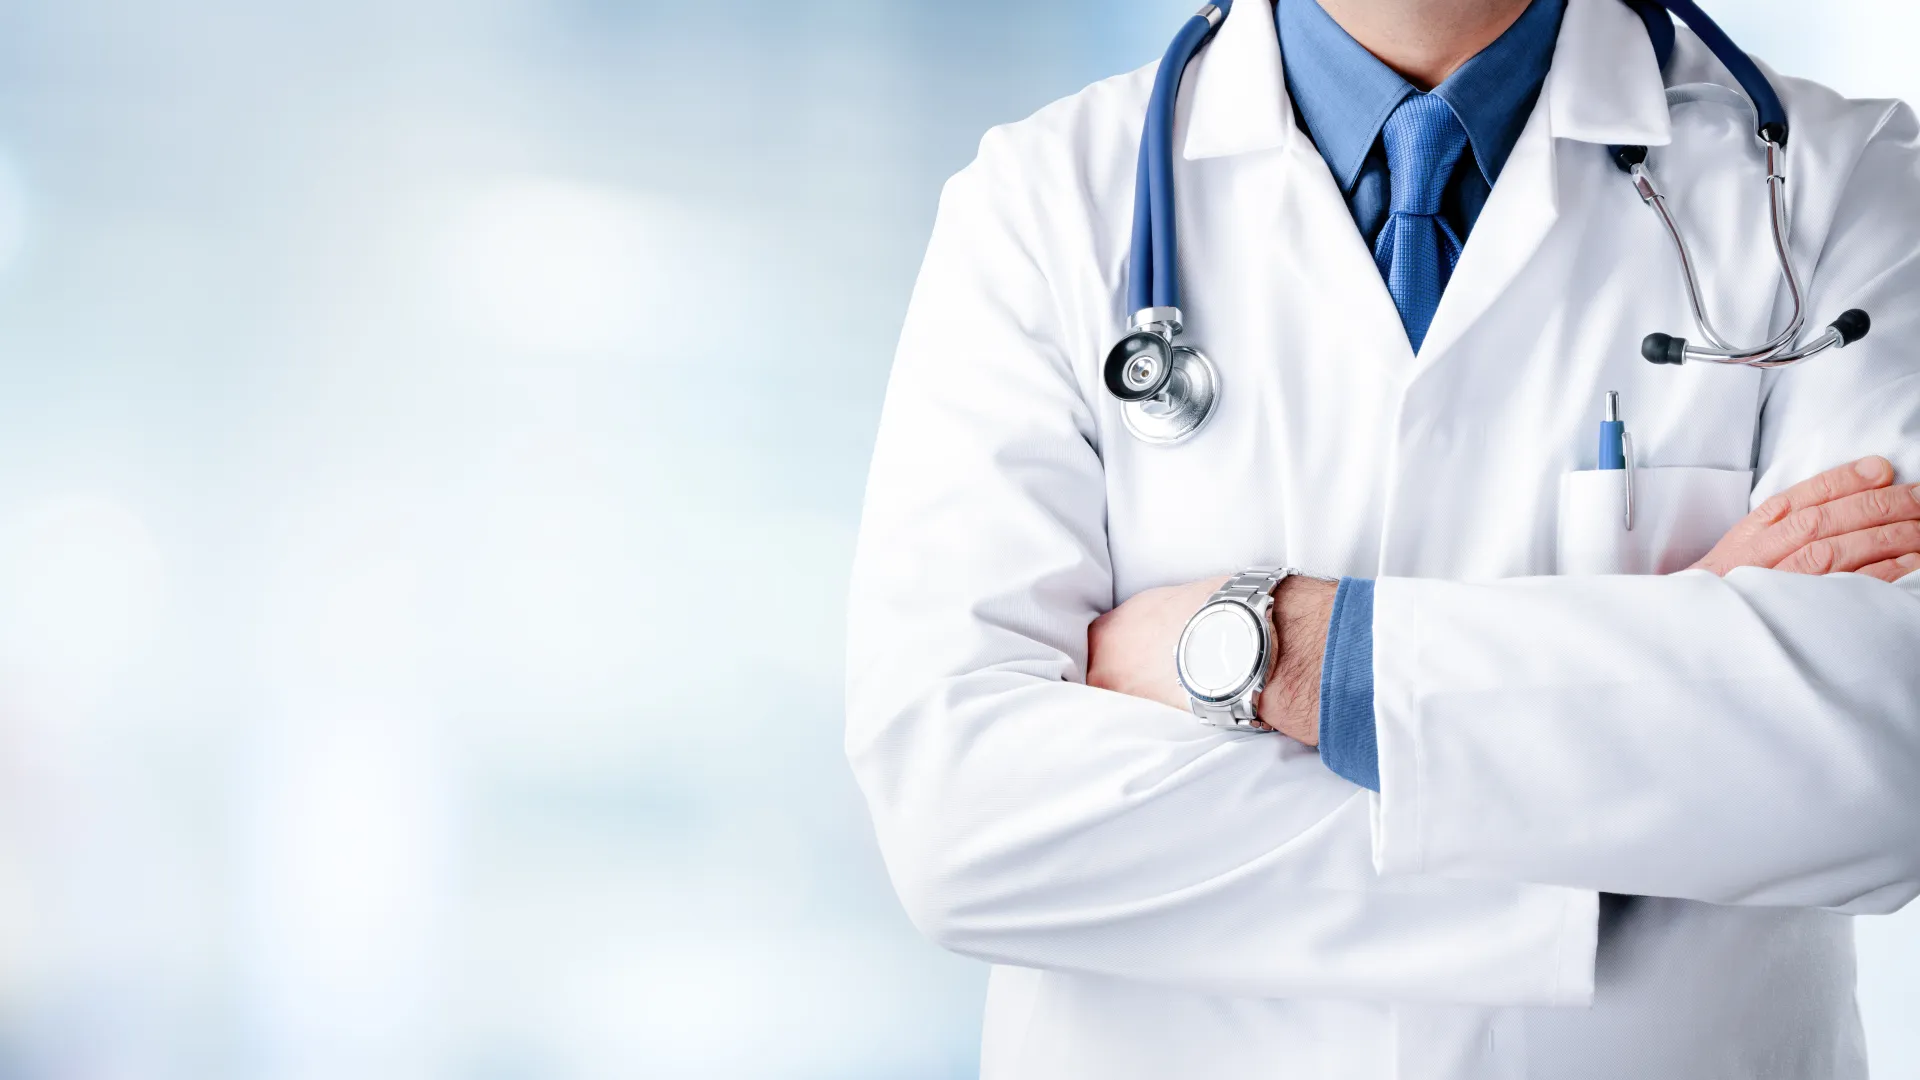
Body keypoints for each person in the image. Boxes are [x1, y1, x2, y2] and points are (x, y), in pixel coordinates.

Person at [845, 0, 1920, 1075]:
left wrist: (1291, 652)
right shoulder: (1041, 206)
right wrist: (1643, 777)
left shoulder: (1844, 185)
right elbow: (963, 820)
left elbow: (1887, 752)